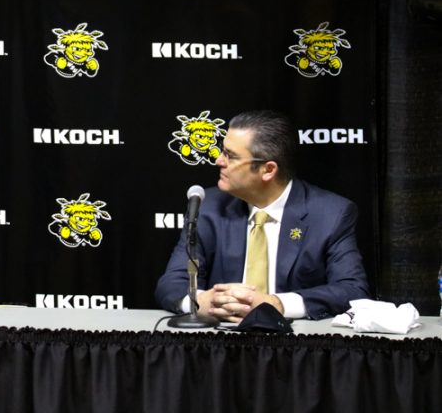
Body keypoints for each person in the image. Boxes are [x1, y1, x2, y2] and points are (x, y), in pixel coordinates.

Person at [154, 110, 369, 321]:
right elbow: (172, 282)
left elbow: (352, 289)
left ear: (268, 170)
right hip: (220, 345)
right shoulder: (208, 207)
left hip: (296, 347)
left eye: (231, 156)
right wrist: (201, 301)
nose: (219, 161)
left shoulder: (331, 214)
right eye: (222, 151)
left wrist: (278, 304)